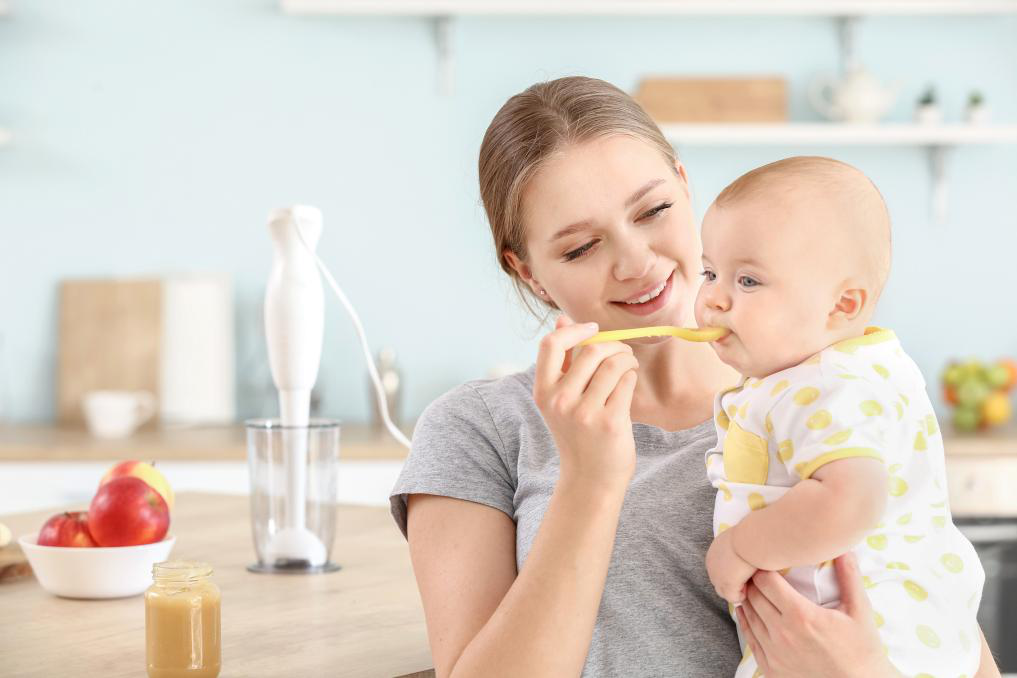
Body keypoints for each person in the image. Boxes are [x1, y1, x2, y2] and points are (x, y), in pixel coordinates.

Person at [388, 76, 1002, 677]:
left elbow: (938, 614)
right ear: (529, 273)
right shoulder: (479, 430)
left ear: (685, 187)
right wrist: (590, 480)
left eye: (653, 211)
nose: (636, 262)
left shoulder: (822, 389)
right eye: (580, 248)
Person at [695, 156, 986, 677]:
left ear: (842, 306)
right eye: (710, 272)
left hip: (862, 638)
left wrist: (740, 546)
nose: (713, 298)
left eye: (749, 281)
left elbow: (851, 498)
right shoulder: (855, 369)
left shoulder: (827, 386)